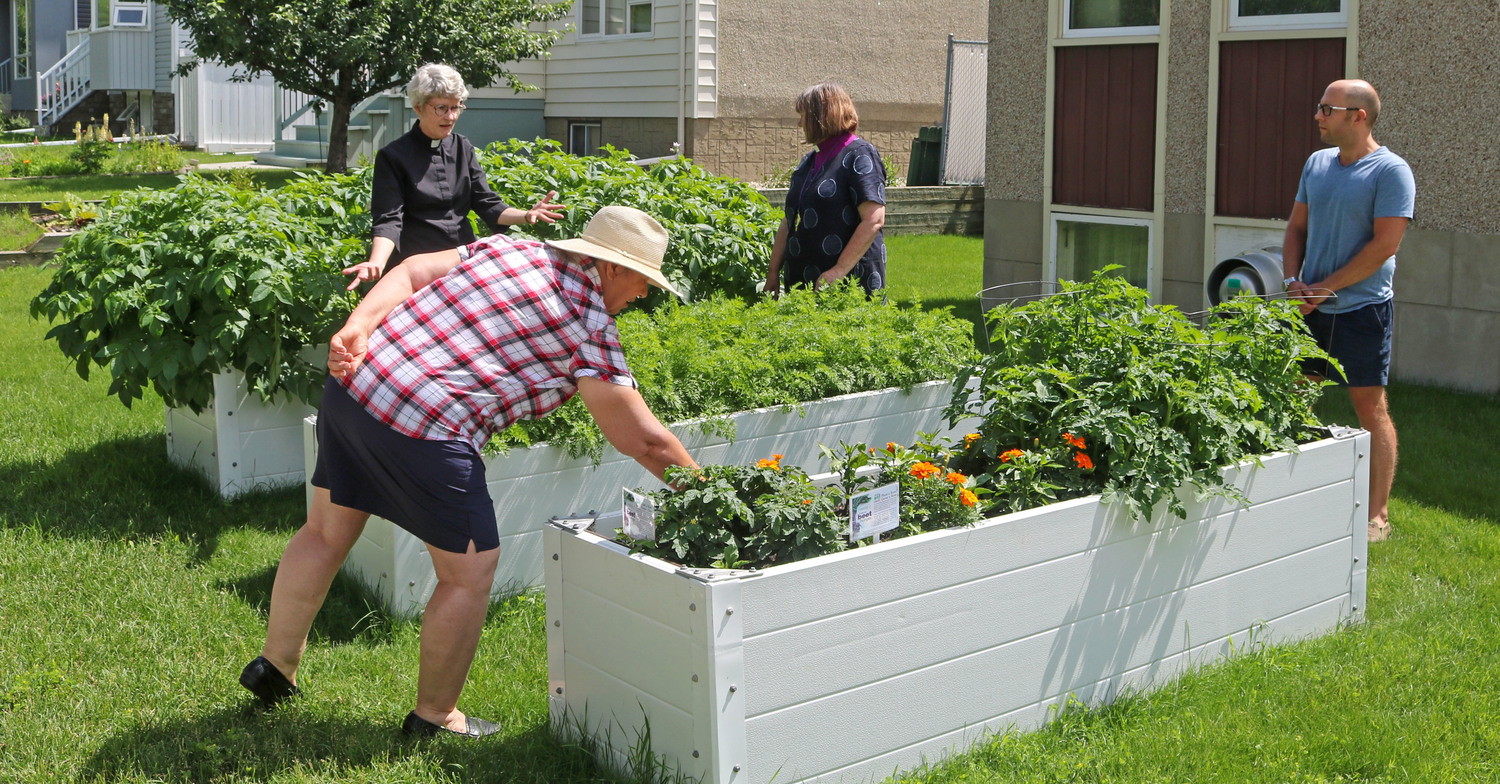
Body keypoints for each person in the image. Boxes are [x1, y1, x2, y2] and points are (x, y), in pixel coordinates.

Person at [239, 206, 700, 737]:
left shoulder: (514, 248)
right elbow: (641, 438)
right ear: (613, 268)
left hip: (357, 386)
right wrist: (711, 494)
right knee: (471, 572)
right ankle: (435, 717)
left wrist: (356, 326)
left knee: (324, 532)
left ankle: (274, 668)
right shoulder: (589, 325)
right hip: (426, 424)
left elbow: (411, 271)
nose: (642, 295)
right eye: (643, 281)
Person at [1281, 78, 1415, 544]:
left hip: (1361, 310)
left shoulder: (1390, 171)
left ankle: (1377, 515)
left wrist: (1323, 288)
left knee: (1369, 408)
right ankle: (1287, 493)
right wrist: (1293, 282)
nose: (1318, 116)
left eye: (1327, 109)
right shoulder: (1317, 163)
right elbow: (1296, 228)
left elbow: (1385, 246)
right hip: (1309, 307)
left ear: (1358, 116)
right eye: (1319, 107)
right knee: (1293, 396)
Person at [343, 63, 565, 290]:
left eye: (456, 107)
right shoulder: (392, 157)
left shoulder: (462, 147)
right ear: (418, 107)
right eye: (441, 108)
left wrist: (527, 215)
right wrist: (376, 262)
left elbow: (487, 203)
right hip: (418, 268)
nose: (450, 116)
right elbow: (389, 220)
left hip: (463, 263)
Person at [765, 83, 887, 296]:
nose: (800, 122)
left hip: (846, 282)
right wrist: (773, 272)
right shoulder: (809, 161)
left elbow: (873, 220)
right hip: (804, 281)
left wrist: (838, 270)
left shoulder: (860, 155)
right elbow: (789, 220)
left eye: (803, 115)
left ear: (822, 115)